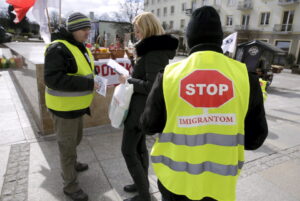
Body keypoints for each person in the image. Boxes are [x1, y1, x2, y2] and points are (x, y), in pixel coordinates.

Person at [140, 6, 268, 201]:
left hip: (175, 182)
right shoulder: (245, 77)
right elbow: (254, 139)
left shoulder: (168, 76)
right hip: (219, 185)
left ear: (189, 39)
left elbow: (149, 126)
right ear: (219, 38)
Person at [118, 12, 179, 201]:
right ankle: (141, 185)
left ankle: (144, 194)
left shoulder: (154, 51)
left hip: (140, 109)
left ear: (147, 28)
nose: (136, 34)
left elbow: (153, 85)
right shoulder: (152, 49)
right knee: (139, 148)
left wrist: (128, 80)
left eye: (138, 30)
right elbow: (148, 76)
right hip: (141, 107)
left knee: (128, 150)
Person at [44, 12, 99, 201]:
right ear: (73, 29)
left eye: (88, 28)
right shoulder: (58, 48)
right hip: (63, 109)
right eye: (84, 29)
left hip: (77, 107)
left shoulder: (79, 46)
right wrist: (88, 83)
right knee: (67, 147)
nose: (87, 32)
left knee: (75, 140)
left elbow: (85, 69)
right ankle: (70, 186)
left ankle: (73, 164)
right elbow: (53, 79)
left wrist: (95, 75)